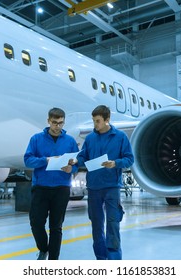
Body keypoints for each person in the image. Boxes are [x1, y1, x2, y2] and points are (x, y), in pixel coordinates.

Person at [76, 105, 134, 260]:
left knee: (113, 223)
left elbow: (130, 159)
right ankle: (101, 258)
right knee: (96, 225)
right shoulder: (90, 138)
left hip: (111, 187)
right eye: (94, 121)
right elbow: (83, 157)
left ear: (107, 120)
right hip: (93, 187)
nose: (95, 124)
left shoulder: (120, 137)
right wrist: (75, 160)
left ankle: (114, 259)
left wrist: (115, 163)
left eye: (98, 121)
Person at [24, 107, 79, 260]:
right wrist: (45, 160)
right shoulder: (36, 139)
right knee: (36, 223)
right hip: (41, 187)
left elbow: (76, 162)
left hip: (61, 188)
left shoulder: (70, 141)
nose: (58, 127)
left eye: (61, 123)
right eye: (55, 123)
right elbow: (27, 160)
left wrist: (71, 168)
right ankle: (43, 249)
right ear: (48, 121)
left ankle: (53, 259)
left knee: (56, 227)